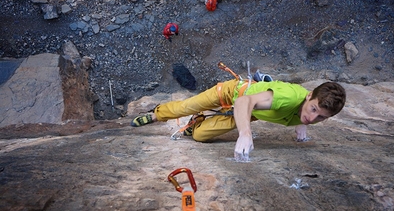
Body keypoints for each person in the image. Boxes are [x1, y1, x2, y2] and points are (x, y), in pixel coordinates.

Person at [130, 76, 346, 161]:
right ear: (309, 96)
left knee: (201, 136)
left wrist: (301, 125)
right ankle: (156, 113)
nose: (312, 117)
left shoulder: (307, 111)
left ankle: (196, 123)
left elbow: (307, 113)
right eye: (313, 109)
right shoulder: (286, 99)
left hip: (249, 114)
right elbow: (243, 102)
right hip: (233, 94)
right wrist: (245, 133)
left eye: (320, 118)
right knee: (187, 106)